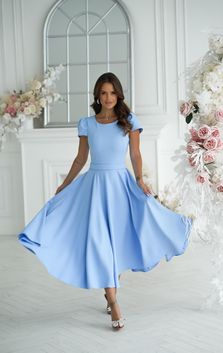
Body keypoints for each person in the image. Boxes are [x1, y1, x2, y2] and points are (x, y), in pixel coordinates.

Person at [18, 72, 193, 331]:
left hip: (121, 186)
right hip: (95, 187)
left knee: (116, 242)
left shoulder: (128, 121)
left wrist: (139, 180)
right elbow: (80, 159)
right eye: (103, 93)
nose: (108, 97)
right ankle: (114, 302)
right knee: (100, 243)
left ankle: (111, 290)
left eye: (112, 92)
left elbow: (135, 154)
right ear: (97, 96)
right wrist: (64, 185)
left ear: (118, 95)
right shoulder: (87, 123)